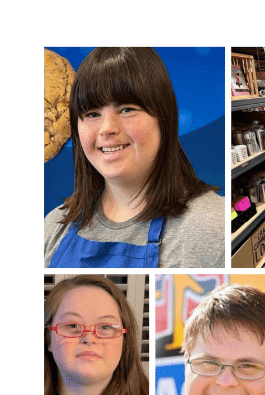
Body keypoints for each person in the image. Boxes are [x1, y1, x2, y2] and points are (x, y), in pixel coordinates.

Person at [44, 47, 224, 268]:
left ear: (164, 117)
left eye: (127, 109)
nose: (107, 128)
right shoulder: (53, 227)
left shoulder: (214, 230)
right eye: (92, 114)